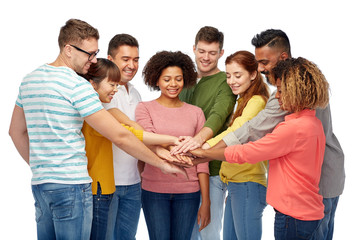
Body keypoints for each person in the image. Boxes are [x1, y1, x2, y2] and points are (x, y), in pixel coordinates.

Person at [8, 19, 186, 240]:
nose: (93, 61)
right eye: (89, 54)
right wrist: (162, 164)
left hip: (42, 185)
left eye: (96, 53)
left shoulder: (29, 80)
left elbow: (15, 131)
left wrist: (43, 168)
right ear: (68, 49)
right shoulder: (77, 84)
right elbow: (120, 135)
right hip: (72, 185)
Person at [210, 29, 345, 240]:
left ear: (283, 58)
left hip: (317, 185)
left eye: (264, 62)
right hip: (320, 182)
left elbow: (253, 131)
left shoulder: (294, 92)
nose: (260, 69)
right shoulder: (306, 81)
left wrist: (206, 152)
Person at [191, 57, 330, 239]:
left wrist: (205, 153)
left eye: (281, 91)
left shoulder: (292, 129)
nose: (277, 96)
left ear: (296, 91)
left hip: (293, 216)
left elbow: (248, 151)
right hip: (308, 213)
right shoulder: (313, 123)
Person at [81, 58, 183, 240]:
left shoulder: (104, 110)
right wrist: (171, 141)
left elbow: (131, 128)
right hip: (97, 189)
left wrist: (164, 145)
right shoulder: (94, 116)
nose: (115, 89)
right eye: (111, 84)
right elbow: (127, 135)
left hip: (106, 187)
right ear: (92, 85)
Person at [135, 50, 210, 240]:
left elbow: (202, 160)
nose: (173, 84)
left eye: (178, 79)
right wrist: (174, 146)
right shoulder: (144, 108)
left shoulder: (196, 112)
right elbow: (148, 139)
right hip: (153, 192)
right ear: (156, 80)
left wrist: (206, 201)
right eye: (167, 79)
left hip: (189, 192)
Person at [172, 26, 236, 240]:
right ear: (194, 49)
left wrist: (195, 142)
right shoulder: (185, 79)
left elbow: (218, 116)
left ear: (221, 53)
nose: (206, 57)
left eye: (212, 52)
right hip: (183, 169)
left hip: (214, 171)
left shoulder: (224, 83)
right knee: (184, 233)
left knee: (207, 232)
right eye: (201, 51)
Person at [201, 50, 269, 239]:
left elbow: (236, 132)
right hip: (236, 185)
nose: (231, 81)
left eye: (238, 75)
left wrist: (204, 148)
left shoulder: (256, 102)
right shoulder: (243, 101)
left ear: (253, 74)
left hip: (248, 184)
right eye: (229, 75)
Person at [102, 34, 144, 240]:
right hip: (108, 185)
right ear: (110, 59)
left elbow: (141, 137)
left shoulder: (136, 93)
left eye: (136, 60)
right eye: (125, 59)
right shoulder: (103, 91)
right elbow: (127, 130)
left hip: (134, 184)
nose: (132, 65)